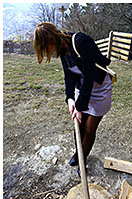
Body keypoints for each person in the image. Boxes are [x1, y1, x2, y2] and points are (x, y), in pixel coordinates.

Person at [33, 22, 112, 172]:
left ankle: (83, 160)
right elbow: (69, 76)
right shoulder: (62, 50)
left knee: (89, 128)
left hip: (98, 87)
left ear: (51, 40)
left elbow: (89, 77)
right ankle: (78, 154)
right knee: (79, 126)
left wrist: (80, 107)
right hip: (81, 87)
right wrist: (70, 99)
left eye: (46, 47)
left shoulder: (81, 41)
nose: (48, 52)